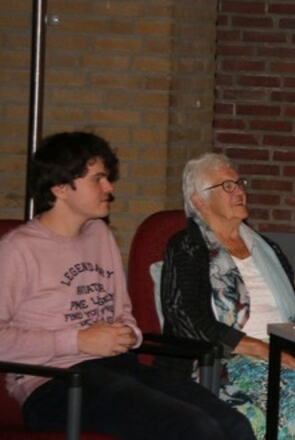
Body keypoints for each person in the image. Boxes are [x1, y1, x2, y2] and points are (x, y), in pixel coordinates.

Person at [0, 131, 254, 440]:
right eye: (98, 179)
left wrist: (128, 333)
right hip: (55, 384)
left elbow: (121, 311)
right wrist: (77, 341)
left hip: (115, 367)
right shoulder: (18, 250)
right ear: (60, 187)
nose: (109, 187)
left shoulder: (99, 235)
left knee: (234, 424)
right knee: (196, 428)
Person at [161, 153, 295, 440]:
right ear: (199, 200)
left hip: (282, 348)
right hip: (225, 359)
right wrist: (256, 347)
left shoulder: (266, 247)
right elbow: (184, 317)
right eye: (227, 186)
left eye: (239, 183)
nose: (240, 191)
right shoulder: (187, 247)